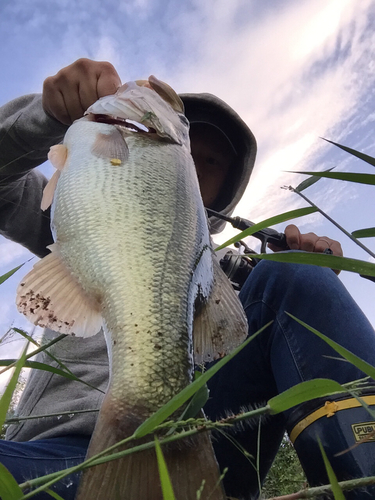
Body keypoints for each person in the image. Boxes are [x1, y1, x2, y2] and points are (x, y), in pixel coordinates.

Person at [0, 58, 374, 500]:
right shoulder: (77, 217)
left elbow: (280, 310)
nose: (193, 163)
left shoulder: (244, 278)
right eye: (190, 146)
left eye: (211, 161)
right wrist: (44, 116)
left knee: (295, 276)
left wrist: (315, 276)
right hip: (52, 458)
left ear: (221, 191)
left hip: (200, 453)